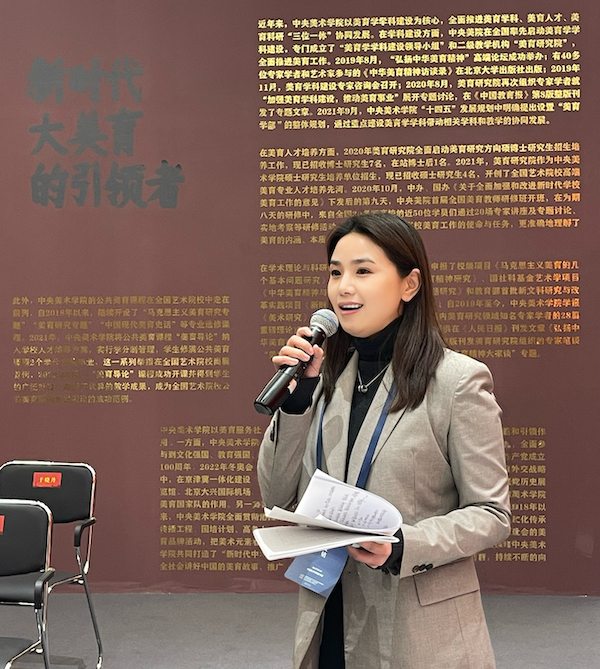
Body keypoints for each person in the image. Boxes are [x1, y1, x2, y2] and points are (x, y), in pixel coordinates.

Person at [257, 212, 511, 669]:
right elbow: (277, 495)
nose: (344, 287)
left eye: (363, 271)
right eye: (336, 272)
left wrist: (403, 544)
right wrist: (296, 404)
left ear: (409, 285)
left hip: (417, 630)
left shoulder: (457, 381)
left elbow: (492, 514)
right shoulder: (325, 381)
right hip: (331, 614)